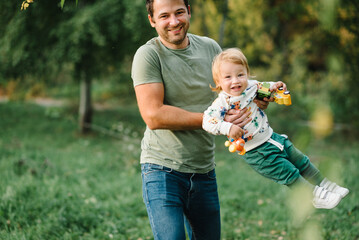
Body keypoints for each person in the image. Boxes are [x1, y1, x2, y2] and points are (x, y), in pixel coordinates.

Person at [131, 0, 270, 239]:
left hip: (204, 170)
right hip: (162, 170)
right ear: (152, 20)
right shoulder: (148, 54)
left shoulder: (210, 48)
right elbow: (153, 115)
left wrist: (257, 100)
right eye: (164, 16)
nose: (174, 22)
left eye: (179, 12)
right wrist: (216, 122)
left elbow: (231, 92)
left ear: (189, 12)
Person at [203, 48, 349, 209]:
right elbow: (207, 121)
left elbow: (264, 86)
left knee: (301, 161)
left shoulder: (251, 87)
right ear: (218, 82)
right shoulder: (221, 103)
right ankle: (315, 196)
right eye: (228, 77)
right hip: (256, 152)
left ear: (247, 73)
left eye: (240, 75)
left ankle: (327, 186)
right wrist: (227, 127)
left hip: (273, 138)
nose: (235, 81)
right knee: (289, 172)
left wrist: (276, 86)